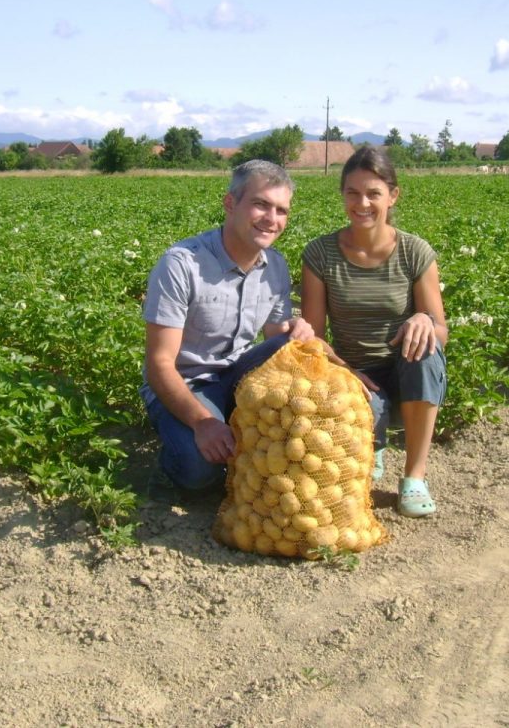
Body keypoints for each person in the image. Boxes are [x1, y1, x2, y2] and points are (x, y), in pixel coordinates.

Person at [141, 159, 315, 499]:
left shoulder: (275, 266)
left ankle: (229, 429)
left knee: (288, 346)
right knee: (200, 469)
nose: (272, 219)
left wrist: (297, 330)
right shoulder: (182, 264)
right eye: (261, 204)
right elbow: (160, 365)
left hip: (237, 375)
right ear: (230, 203)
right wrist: (203, 423)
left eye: (281, 210)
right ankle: (170, 464)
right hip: (186, 382)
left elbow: (276, 337)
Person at [301, 145, 447, 517]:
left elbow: (441, 329)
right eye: (352, 193)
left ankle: (414, 477)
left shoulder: (415, 252)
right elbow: (314, 339)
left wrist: (425, 320)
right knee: (360, 424)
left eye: (373, 193)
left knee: (426, 349)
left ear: (392, 196)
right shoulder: (320, 254)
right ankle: (373, 443)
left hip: (405, 371)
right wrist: (348, 373)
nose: (361, 203)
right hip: (351, 372)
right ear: (342, 196)